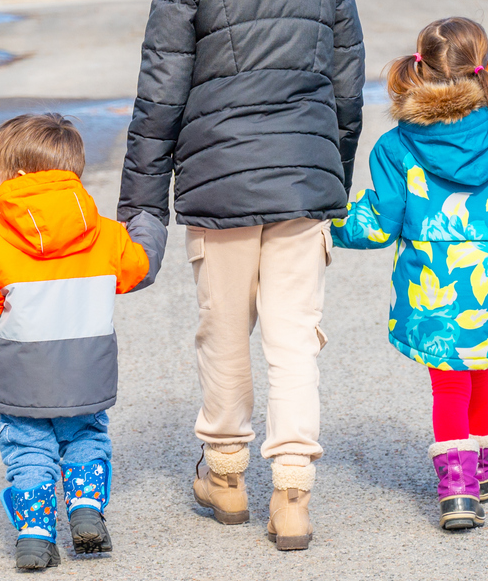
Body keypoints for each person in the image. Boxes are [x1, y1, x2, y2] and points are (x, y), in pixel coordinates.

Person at [118, 0, 364, 550]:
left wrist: (142, 211)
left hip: (219, 173)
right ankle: (292, 495)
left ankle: (226, 475)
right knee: (295, 339)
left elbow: (160, 92)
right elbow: (347, 88)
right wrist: (330, 176)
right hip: (303, 172)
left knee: (224, 332)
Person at [331, 17, 488, 530]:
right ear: (482, 68)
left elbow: (376, 225)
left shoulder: (397, 148)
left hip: (431, 293)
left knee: (450, 384)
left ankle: (458, 490)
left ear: (421, 68)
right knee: (477, 366)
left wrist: (328, 222)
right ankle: (482, 466)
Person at [0, 113, 167, 568]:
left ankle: (36, 535)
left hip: (23, 383)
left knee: (28, 450)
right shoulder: (105, 236)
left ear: (17, 175)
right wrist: (148, 222)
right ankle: (84, 511)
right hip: (88, 374)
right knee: (85, 437)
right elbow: (142, 268)